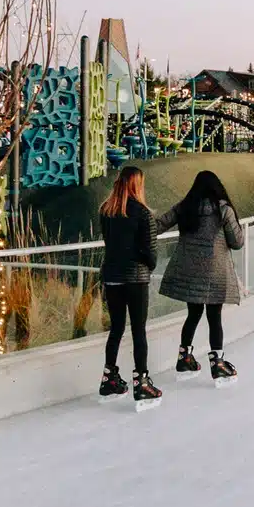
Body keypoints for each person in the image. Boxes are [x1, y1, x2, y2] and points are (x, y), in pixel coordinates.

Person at [157, 169, 244, 382]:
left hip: (189, 271)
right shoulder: (224, 210)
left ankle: (184, 357)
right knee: (215, 318)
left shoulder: (185, 208)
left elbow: (158, 225)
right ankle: (218, 364)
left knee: (193, 314)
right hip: (215, 273)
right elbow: (237, 242)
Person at [98, 164, 162, 404]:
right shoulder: (143, 213)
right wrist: (146, 264)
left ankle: (109, 378)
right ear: (137, 184)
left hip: (112, 276)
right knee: (138, 330)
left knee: (116, 329)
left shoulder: (106, 211)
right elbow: (151, 255)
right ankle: (141, 381)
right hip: (135, 278)